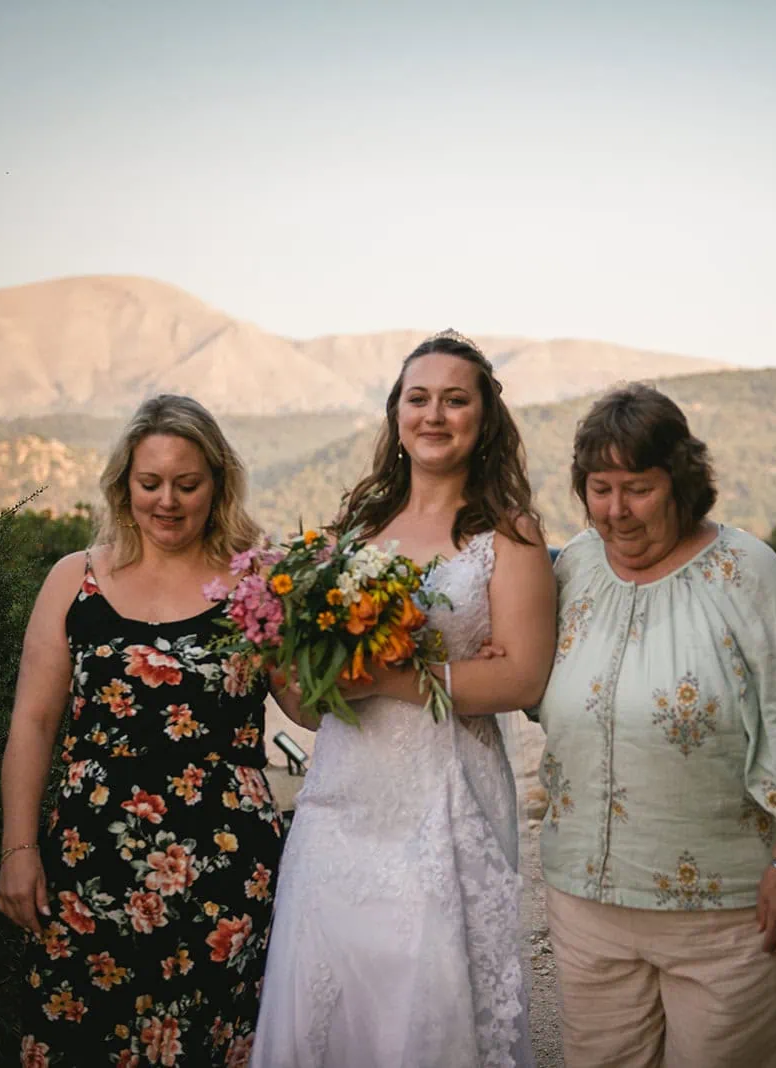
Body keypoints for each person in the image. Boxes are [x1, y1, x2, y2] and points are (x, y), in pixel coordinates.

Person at [250, 331, 556, 1067]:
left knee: (427, 1000)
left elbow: (522, 679)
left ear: (485, 418)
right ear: (395, 414)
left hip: (443, 799)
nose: (435, 414)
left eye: (456, 400)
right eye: (418, 398)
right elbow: (309, 704)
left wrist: (394, 677)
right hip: (342, 799)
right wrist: (278, 654)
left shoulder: (506, 536)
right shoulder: (353, 536)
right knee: (334, 996)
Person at [530, 383, 776, 1068]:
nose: (616, 511)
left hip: (726, 913)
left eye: (638, 488)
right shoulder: (576, 566)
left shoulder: (746, 572)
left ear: (681, 483)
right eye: (599, 488)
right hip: (587, 904)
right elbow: (536, 683)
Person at [0, 394, 286, 1067]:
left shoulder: (255, 579)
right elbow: (34, 721)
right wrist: (18, 850)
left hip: (224, 877)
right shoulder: (77, 579)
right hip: (86, 871)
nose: (168, 502)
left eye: (187, 485)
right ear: (123, 485)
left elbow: (305, 708)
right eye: (150, 483)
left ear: (217, 484)